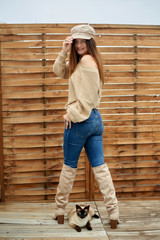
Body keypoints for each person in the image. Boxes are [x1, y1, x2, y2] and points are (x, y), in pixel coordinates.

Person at [53, 25, 119, 229]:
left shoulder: (87, 61)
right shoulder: (83, 61)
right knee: (100, 168)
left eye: (83, 41)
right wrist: (64, 51)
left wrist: (70, 114)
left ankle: (60, 211)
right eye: (76, 41)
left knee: (69, 167)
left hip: (81, 120)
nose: (80, 45)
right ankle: (114, 213)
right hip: (95, 121)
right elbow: (59, 72)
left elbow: (88, 99)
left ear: (90, 42)